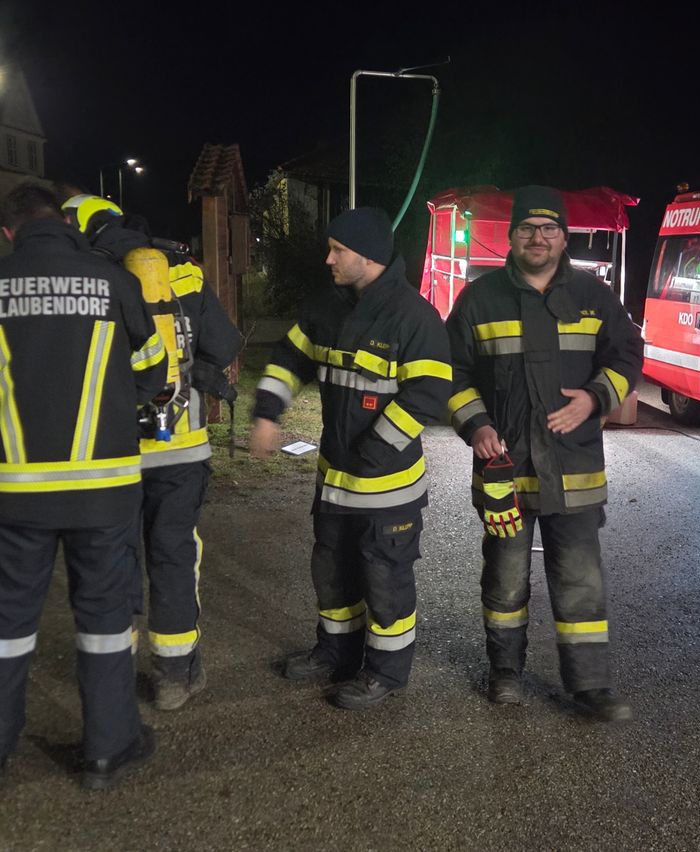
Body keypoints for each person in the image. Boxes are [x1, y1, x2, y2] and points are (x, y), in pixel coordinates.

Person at [445, 185, 643, 721]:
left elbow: (627, 355)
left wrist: (596, 398)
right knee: (505, 578)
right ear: (510, 236)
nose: (539, 238)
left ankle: (590, 687)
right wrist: (477, 424)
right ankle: (505, 671)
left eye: (549, 228)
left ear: (563, 236)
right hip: (505, 472)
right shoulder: (478, 299)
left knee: (581, 581)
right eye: (528, 229)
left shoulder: (593, 295)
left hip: (574, 471)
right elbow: (451, 373)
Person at [249, 207, 452, 710]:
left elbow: (428, 393)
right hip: (335, 483)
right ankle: (335, 654)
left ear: (367, 256)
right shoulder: (328, 306)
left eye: (338, 250)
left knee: (385, 581)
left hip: (387, 489)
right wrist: (268, 412)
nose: (328, 258)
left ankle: (385, 673)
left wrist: (375, 451)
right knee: (332, 573)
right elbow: (289, 358)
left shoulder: (413, 318)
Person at [0, 183, 167, 788]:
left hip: (14, 492)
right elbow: (153, 373)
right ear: (65, 224)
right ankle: (106, 749)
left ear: (9, 232)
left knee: (8, 623)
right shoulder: (114, 281)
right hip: (105, 488)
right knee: (102, 620)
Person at [60, 192, 241, 711]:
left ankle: (114, 674)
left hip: (113, 450)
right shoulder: (180, 271)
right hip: (181, 445)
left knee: (114, 559)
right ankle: (175, 676)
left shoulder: (90, 280)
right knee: (176, 553)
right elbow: (224, 345)